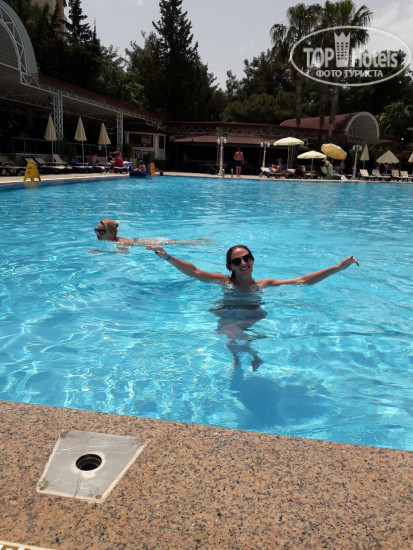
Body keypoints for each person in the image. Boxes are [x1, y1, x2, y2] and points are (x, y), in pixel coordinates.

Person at [146, 244, 359, 369]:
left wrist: (338, 268)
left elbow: (303, 281)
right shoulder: (224, 282)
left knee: (232, 334)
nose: (243, 263)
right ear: (230, 266)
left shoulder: (264, 285)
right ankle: (251, 356)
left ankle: (245, 356)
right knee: (231, 333)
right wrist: (168, 257)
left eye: (246, 258)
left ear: (252, 259)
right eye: (236, 261)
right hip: (229, 314)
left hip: (252, 315)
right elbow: (194, 271)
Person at [89, 218, 212, 254]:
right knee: (180, 242)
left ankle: (201, 241)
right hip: (148, 241)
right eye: (96, 230)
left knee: (183, 243)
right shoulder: (115, 240)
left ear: (112, 233)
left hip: (154, 242)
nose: (97, 234)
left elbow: (124, 253)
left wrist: (101, 251)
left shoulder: (119, 242)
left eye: (101, 232)